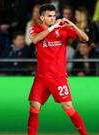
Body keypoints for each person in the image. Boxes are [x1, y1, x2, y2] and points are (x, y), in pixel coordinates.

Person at [28, 4, 89, 135]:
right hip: (41, 77)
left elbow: (85, 39)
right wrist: (53, 27)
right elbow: (35, 39)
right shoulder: (36, 29)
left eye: (54, 15)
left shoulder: (63, 29)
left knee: (69, 108)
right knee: (34, 106)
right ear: (42, 17)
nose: (52, 18)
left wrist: (72, 25)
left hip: (58, 77)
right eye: (49, 16)